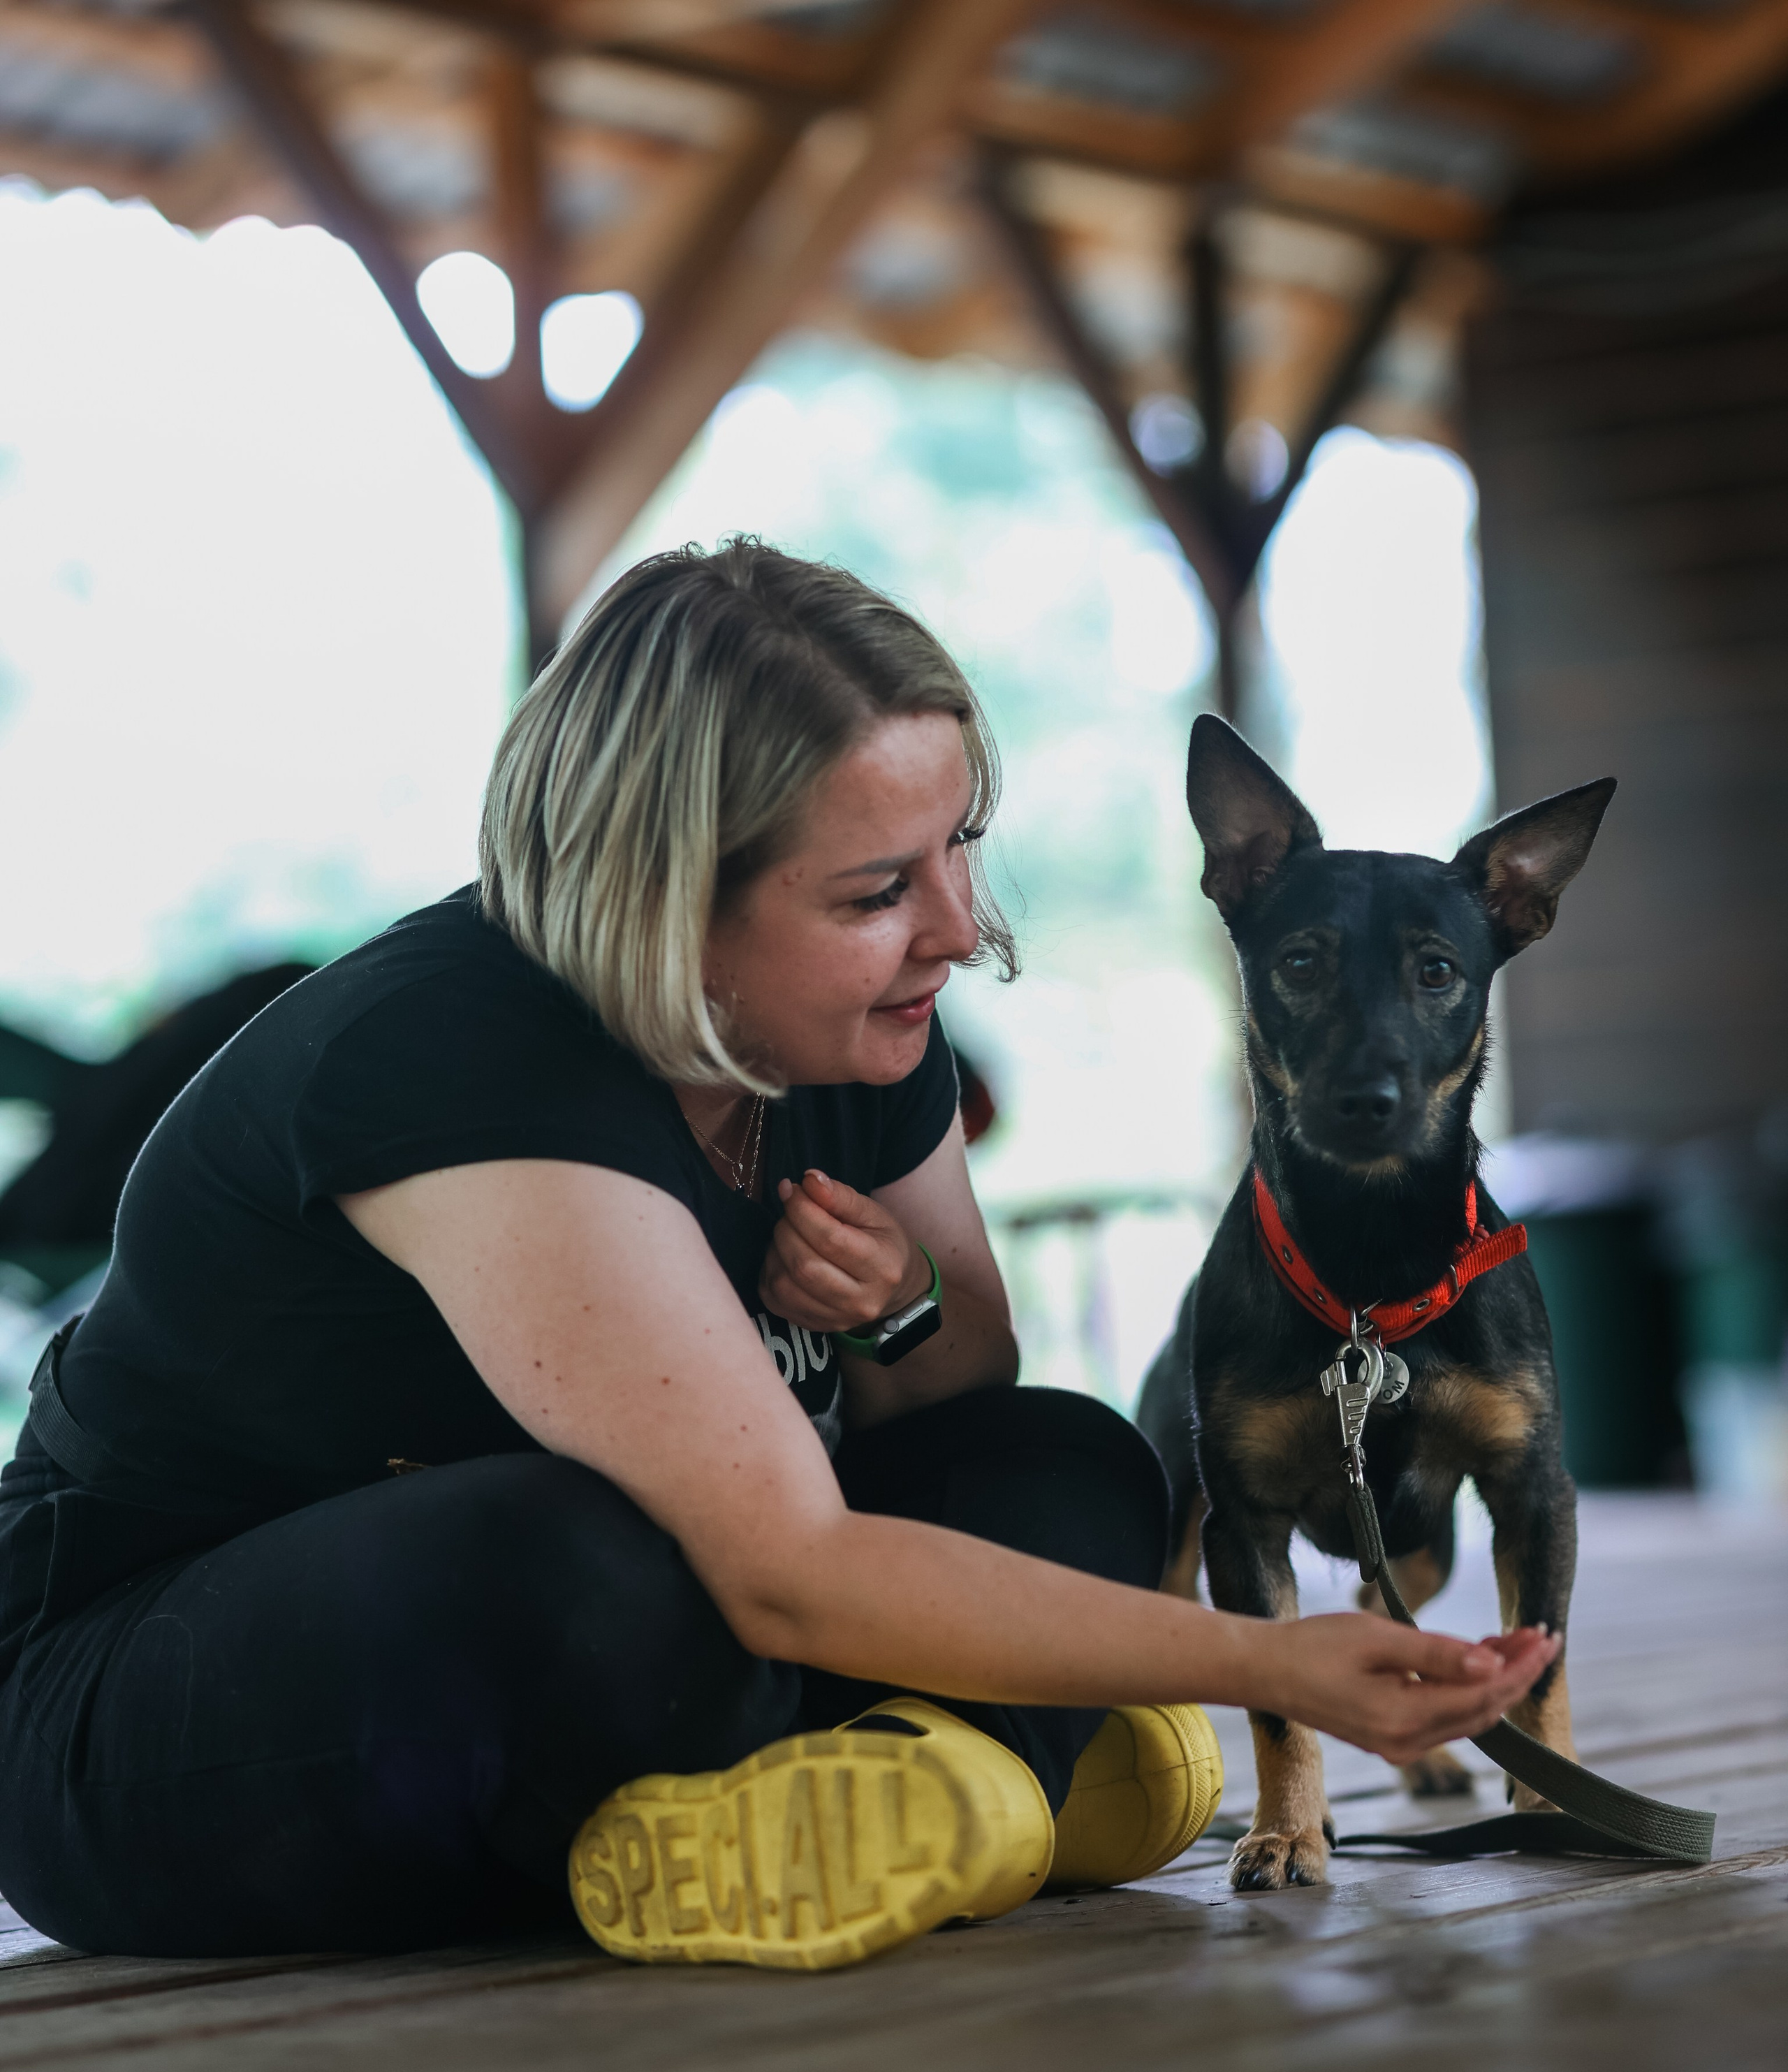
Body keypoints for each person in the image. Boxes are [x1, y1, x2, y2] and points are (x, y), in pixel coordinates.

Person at [0, 542, 1553, 1970]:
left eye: (959, 846)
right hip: (151, 1704)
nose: (957, 928)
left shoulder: (850, 1030)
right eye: (878, 891)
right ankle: (967, 1783)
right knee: (576, 1563)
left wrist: (899, 1305)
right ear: (665, 900)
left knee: (1069, 1458)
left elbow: (956, 1390)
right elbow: (791, 1570)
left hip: (654, 1642)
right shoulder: (452, 1062)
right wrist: (1268, 1663)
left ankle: (927, 1799)